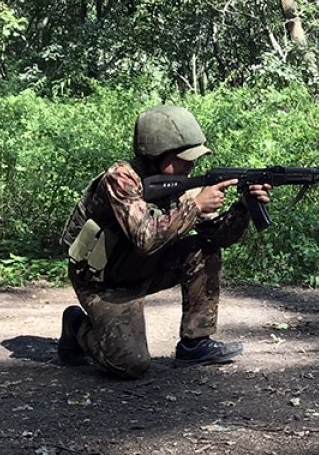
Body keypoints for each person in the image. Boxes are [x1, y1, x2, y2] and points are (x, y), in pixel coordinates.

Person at [57, 104, 272, 378]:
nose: (191, 165)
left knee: (203, 249)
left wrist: (243, 207)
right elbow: (145, 238)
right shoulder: (120, 180)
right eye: (183, 158)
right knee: (130, 364)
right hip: (103, 282)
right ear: (156, 154)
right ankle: (76, 326)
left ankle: (196, 344)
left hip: (143, 268)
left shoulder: (180, 184)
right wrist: (195, 207)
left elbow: (219, 238)